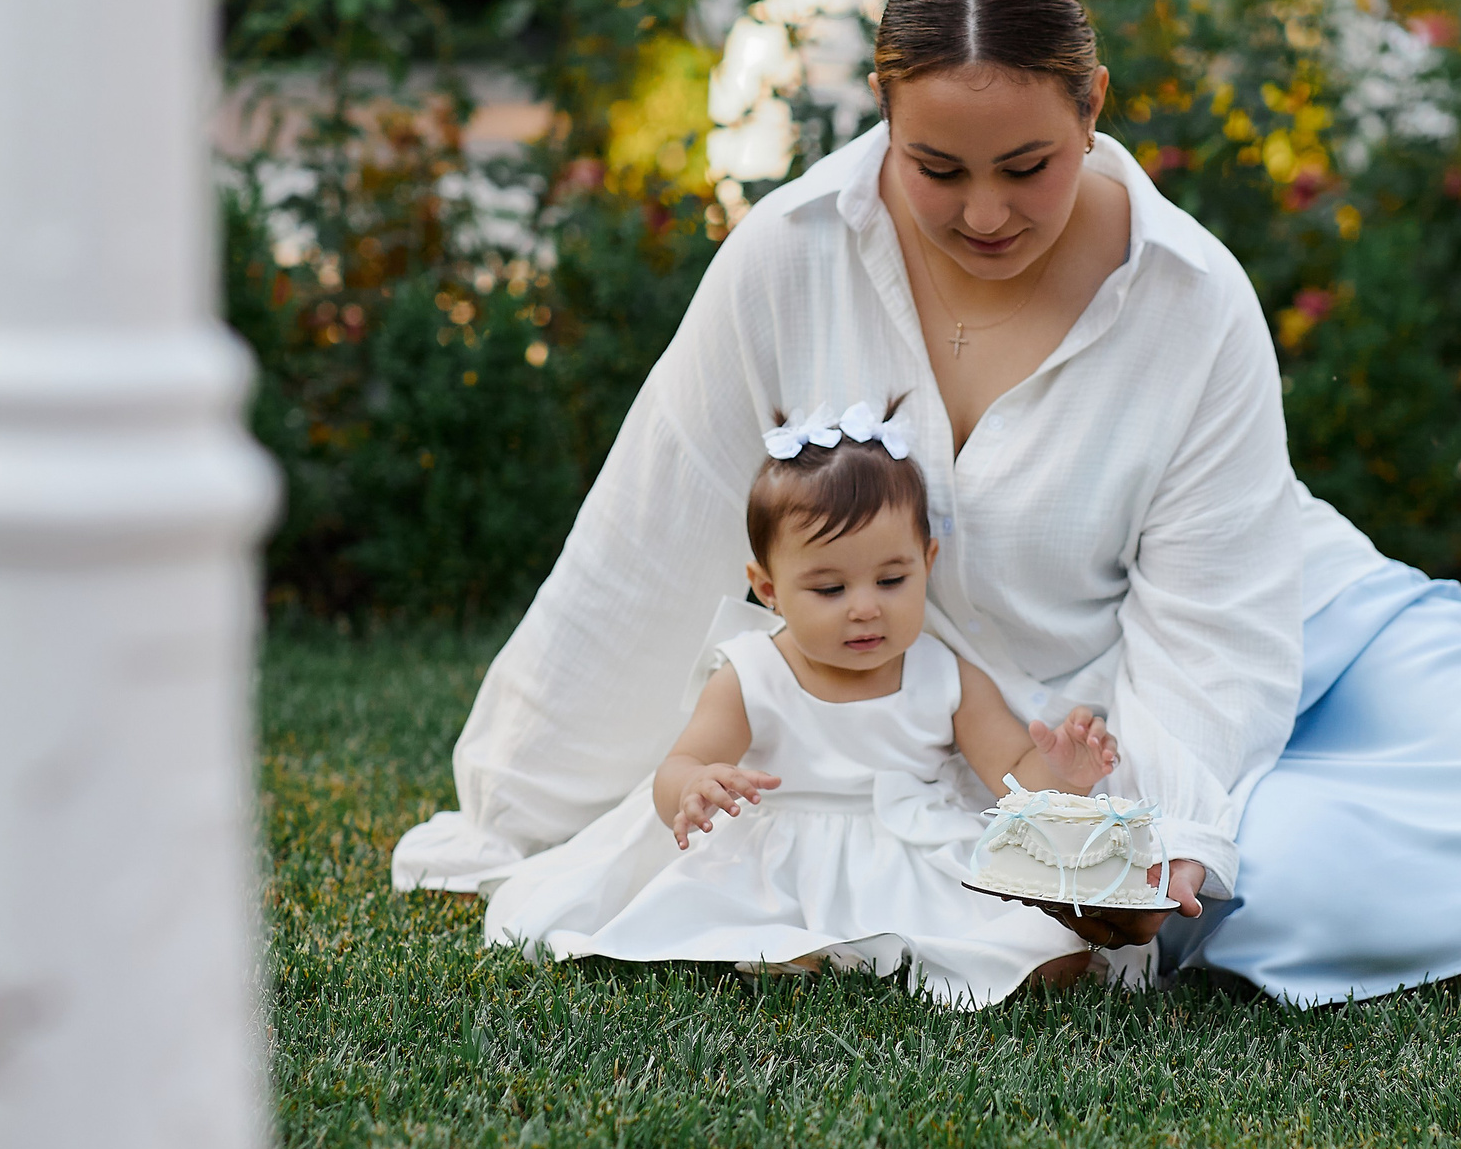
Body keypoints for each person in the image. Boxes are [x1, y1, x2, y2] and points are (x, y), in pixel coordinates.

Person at [393, 0, 1461, 1003]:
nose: (985, 213)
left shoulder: (1195, 293)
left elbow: (1219, 639)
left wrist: (1146, 835)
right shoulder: (787, 257)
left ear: (1093, 105)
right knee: (1388, 895)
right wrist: (530, 804)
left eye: (1027, 164)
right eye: (935, 167)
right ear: (879, 113)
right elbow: (657, 524)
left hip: (1301, 641)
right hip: (1028, 743)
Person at [475, 399, 1124, 1007]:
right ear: (768, 588)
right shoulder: (752, 671)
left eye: (892, 579)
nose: (866, 606)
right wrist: (696, 786)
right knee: (726, 910)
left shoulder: (944, 671)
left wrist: (1062, 775)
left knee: (1031, 937)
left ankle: (860, 952)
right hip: (777, 848)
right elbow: (681, 765)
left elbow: (1009, 766)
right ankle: (795, 948)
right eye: (829, 586)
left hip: (907, 847)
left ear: (928, 560)